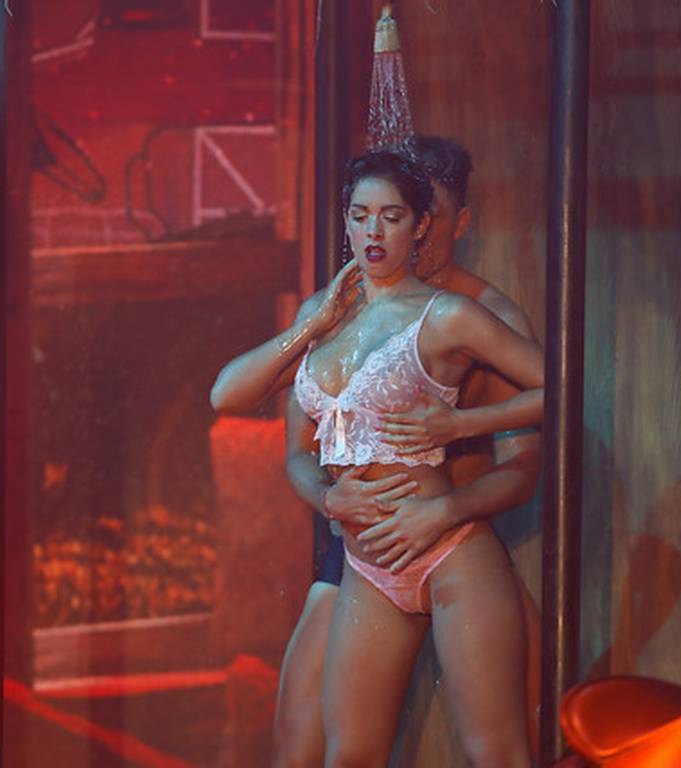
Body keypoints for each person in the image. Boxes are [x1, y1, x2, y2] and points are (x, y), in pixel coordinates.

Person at [210, 148, 542, 767]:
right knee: (345, 756)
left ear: (426, 224)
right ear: (345, 220)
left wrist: (460, 424)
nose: (374, 232)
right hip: (366, 564)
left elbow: (559, 392)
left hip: (447, 547)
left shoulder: (452, 315)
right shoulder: (323, 316)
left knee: (498, 754)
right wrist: (313, 327)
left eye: (392, 217)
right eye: (361, 216)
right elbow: (231, 400)